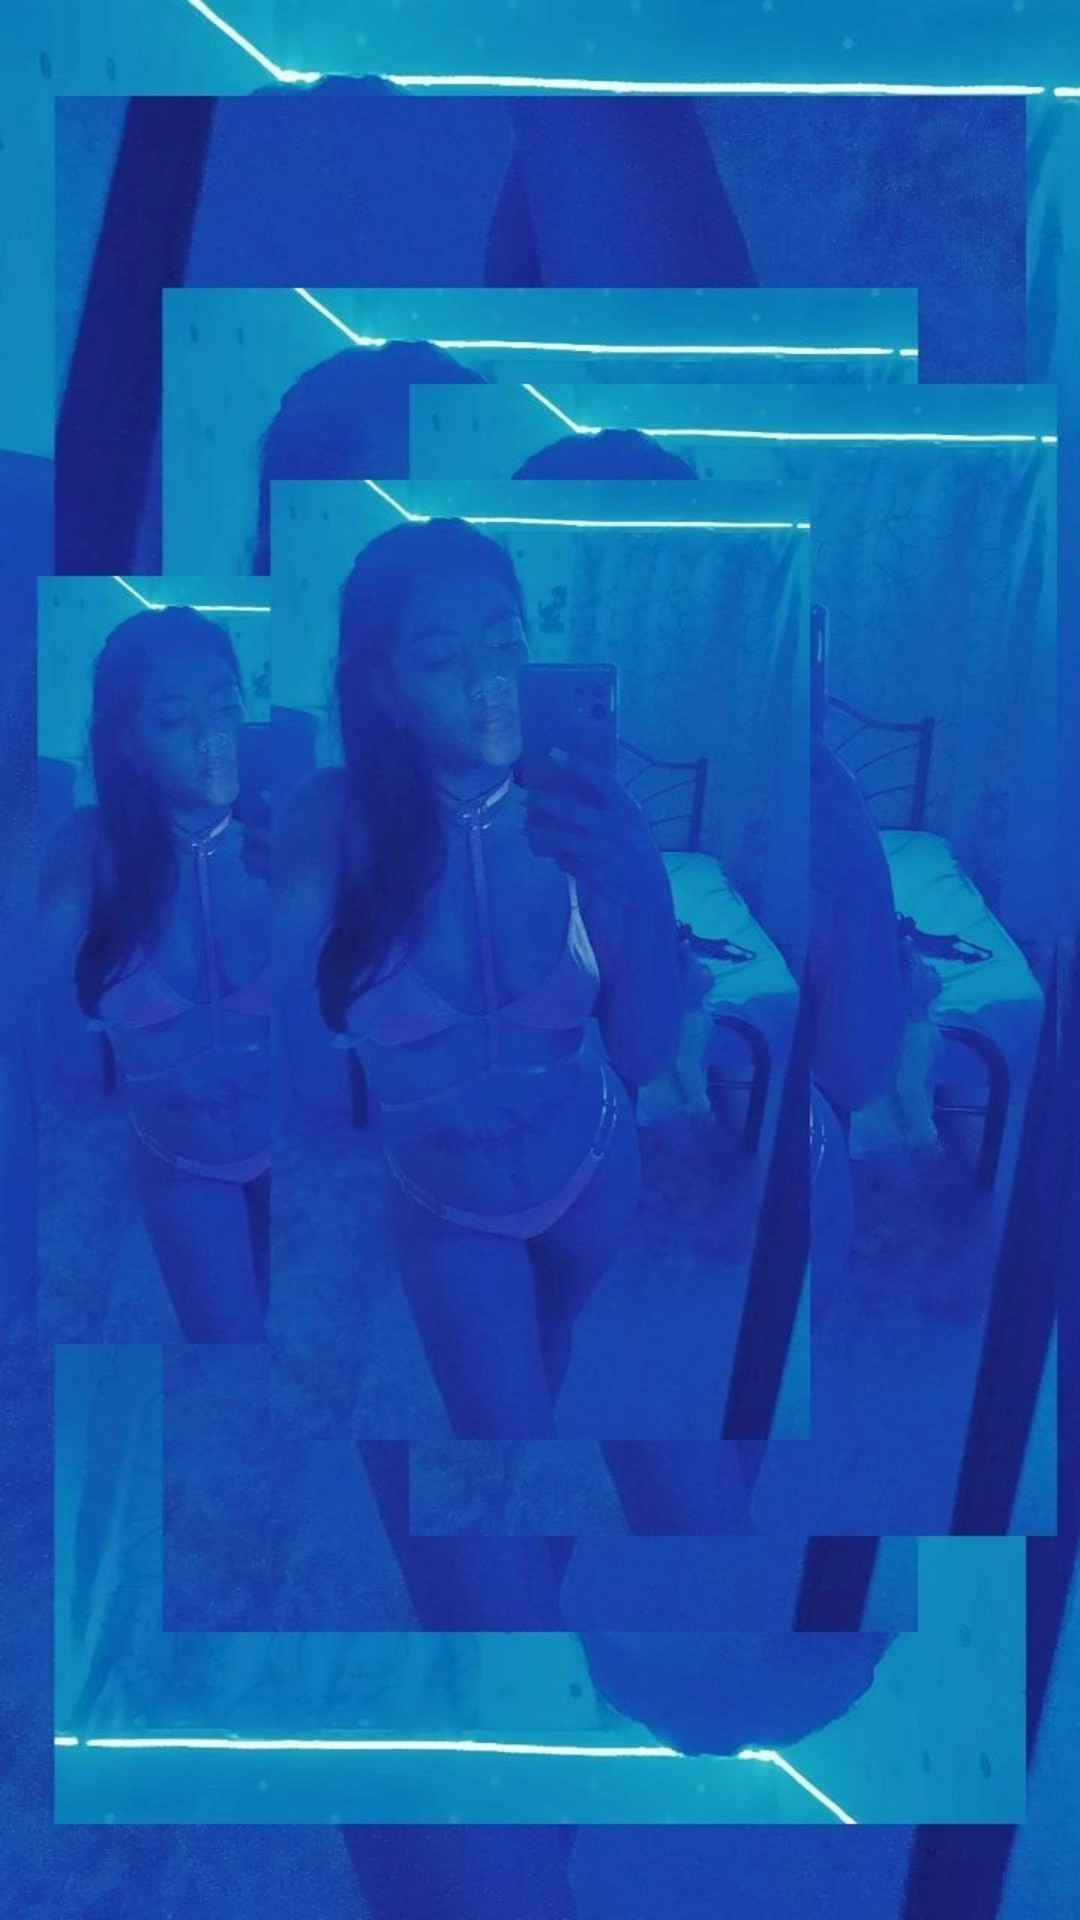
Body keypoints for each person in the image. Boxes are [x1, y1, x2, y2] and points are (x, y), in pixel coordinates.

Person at [278, 515, 684, 1438]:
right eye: (440, 657)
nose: (487, 681)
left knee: (548, 1345)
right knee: (503, 1433)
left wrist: (647, 891)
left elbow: (643, 1052)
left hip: (594, 1168)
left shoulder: (586, 821)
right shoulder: (329, 819)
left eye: (506, 643)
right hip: (448, 1206)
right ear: (383, 690)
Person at [39, 609, 272, 1341]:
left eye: (226, 707)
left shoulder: (285, 834)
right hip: (181, 1155)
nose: (212, 736)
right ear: (129, 744)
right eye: (174, 718)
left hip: (294, 1147)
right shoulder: (88, 848)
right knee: (233, 1349)